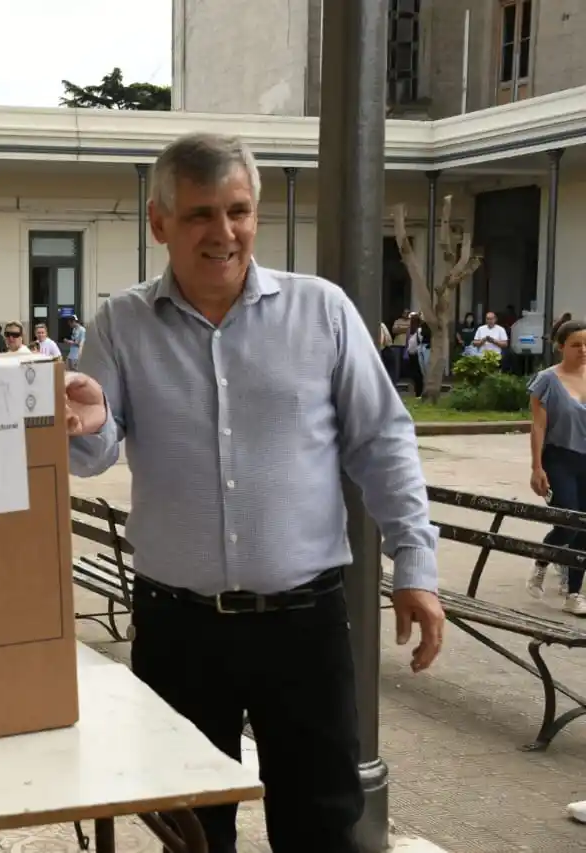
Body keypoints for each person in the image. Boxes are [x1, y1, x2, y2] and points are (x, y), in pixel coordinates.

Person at [63, 133, 444, 853]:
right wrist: (89, 421)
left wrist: (415, 566)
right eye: (201, 214)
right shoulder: (121, 323)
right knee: (190, 828)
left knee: (322, 824)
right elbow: (92, 454)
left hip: (304, 625)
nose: (224, 232)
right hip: (178, 628)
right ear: (160, 223)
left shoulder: (322, 313)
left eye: (238, 210)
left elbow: (382, 440)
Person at [527, 319, 586, 614]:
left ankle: (574, 594)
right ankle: (542, 559)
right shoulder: (547, 380)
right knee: (570, 521)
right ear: (561, 347)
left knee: (584, 528)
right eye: (576, 345)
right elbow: (538, 426)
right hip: (559, 458)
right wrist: (537, 468)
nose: (584, 350)